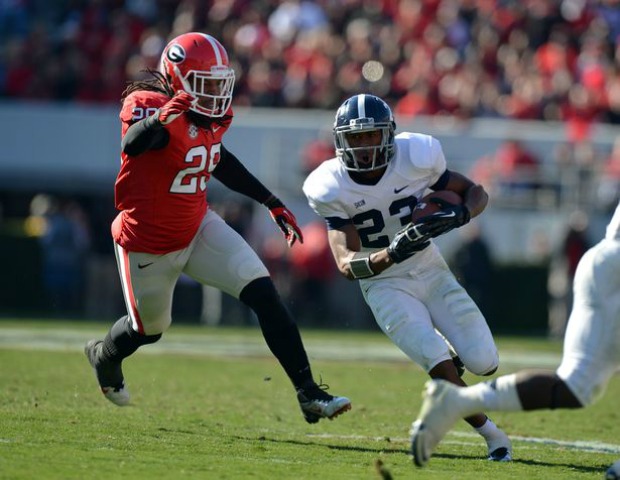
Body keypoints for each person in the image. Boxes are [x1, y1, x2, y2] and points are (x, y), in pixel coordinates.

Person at [84, 32, 351, 424]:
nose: (214, 94)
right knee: (149, 329)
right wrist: (165, 114)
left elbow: (216, 157)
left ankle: (309, 393)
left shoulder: (209, 116)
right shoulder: (147, 104)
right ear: (176, 78)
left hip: (198, 227)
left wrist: (270, 201)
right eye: (204, 84)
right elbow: (135, 144)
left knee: (263, 292)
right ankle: (104, 356)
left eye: (219, 84)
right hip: (148, 243)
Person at [302, 93, 512, 460]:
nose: (364, 146)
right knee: (435, 360)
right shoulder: (330, 185)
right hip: (383, 283)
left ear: (389, 134)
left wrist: (460, 215)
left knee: (484, 362)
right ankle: (493, 436)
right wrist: (390, 254)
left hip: (428, 266)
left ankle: (453, 357)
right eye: (355, 138)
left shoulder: (416, 156)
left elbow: (476, 193)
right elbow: (346, 265)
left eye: (371, 136)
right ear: (340, 141)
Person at [409, 202, 620, 478]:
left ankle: (458, 401)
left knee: (577, 388)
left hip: (607, 264)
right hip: (614, 270)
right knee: (577, 384)